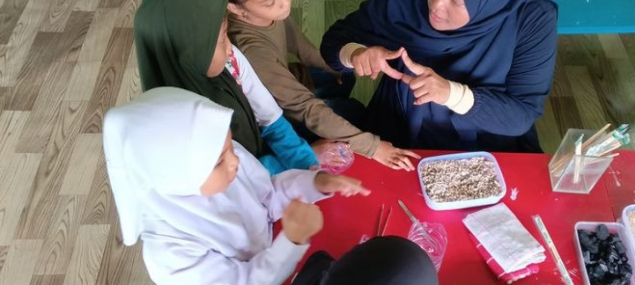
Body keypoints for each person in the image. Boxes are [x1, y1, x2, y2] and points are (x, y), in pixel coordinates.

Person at [102, 87, 437, 285]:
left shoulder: (223, 164)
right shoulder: (170, 253)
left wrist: (316, 182)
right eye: (220, 159)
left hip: (276, 255)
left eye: (231, 147)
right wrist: (291, 240)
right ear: (176, 175)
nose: (235, 161)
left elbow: (268, 192)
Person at [320, 0, 558, 153]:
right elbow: (334, 41)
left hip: (489, 133)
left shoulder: (532, 18)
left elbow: (522, 113)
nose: (436, 5)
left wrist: (450, 93)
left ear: (491, 1)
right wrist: (356, 54)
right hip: (402, 125)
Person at [194, 0, 419, 171]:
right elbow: (304, 108)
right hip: (273, 120)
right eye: (270, 1)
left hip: (283, 84)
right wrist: (373, 148)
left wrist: (329, 66)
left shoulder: (266, 10)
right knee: (353, 112)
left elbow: (295, 40)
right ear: (236, 9)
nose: (284, 1)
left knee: (342, 74)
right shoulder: (251, 50)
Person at [134, 0, 318, 175]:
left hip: (266, 153)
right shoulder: (178, 128)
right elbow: (236, 179)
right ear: (189, 55)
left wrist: (305, 160)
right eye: (222, 39)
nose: (231, 47)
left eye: (226, 34)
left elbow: (269, 115)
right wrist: (297, 165)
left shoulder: (230, 62)